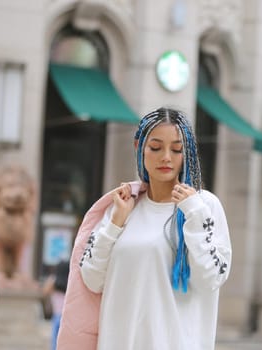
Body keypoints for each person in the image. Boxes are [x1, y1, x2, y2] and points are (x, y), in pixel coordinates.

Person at [57, 107, 232, 350]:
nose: (166, 157)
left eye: (177, 149)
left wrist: (194, 213)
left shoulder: (204, 206)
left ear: (187, 152)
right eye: (156, 147)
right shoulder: (120, 207)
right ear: (139, 147)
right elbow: (92, 279)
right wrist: (116, 222)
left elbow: (211, 278)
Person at [42, 260, 69, 350]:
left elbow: (44, 292)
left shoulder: (54, 282)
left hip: (57, 316)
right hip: (67, 316)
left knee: (55, 343)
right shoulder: (70, 282)